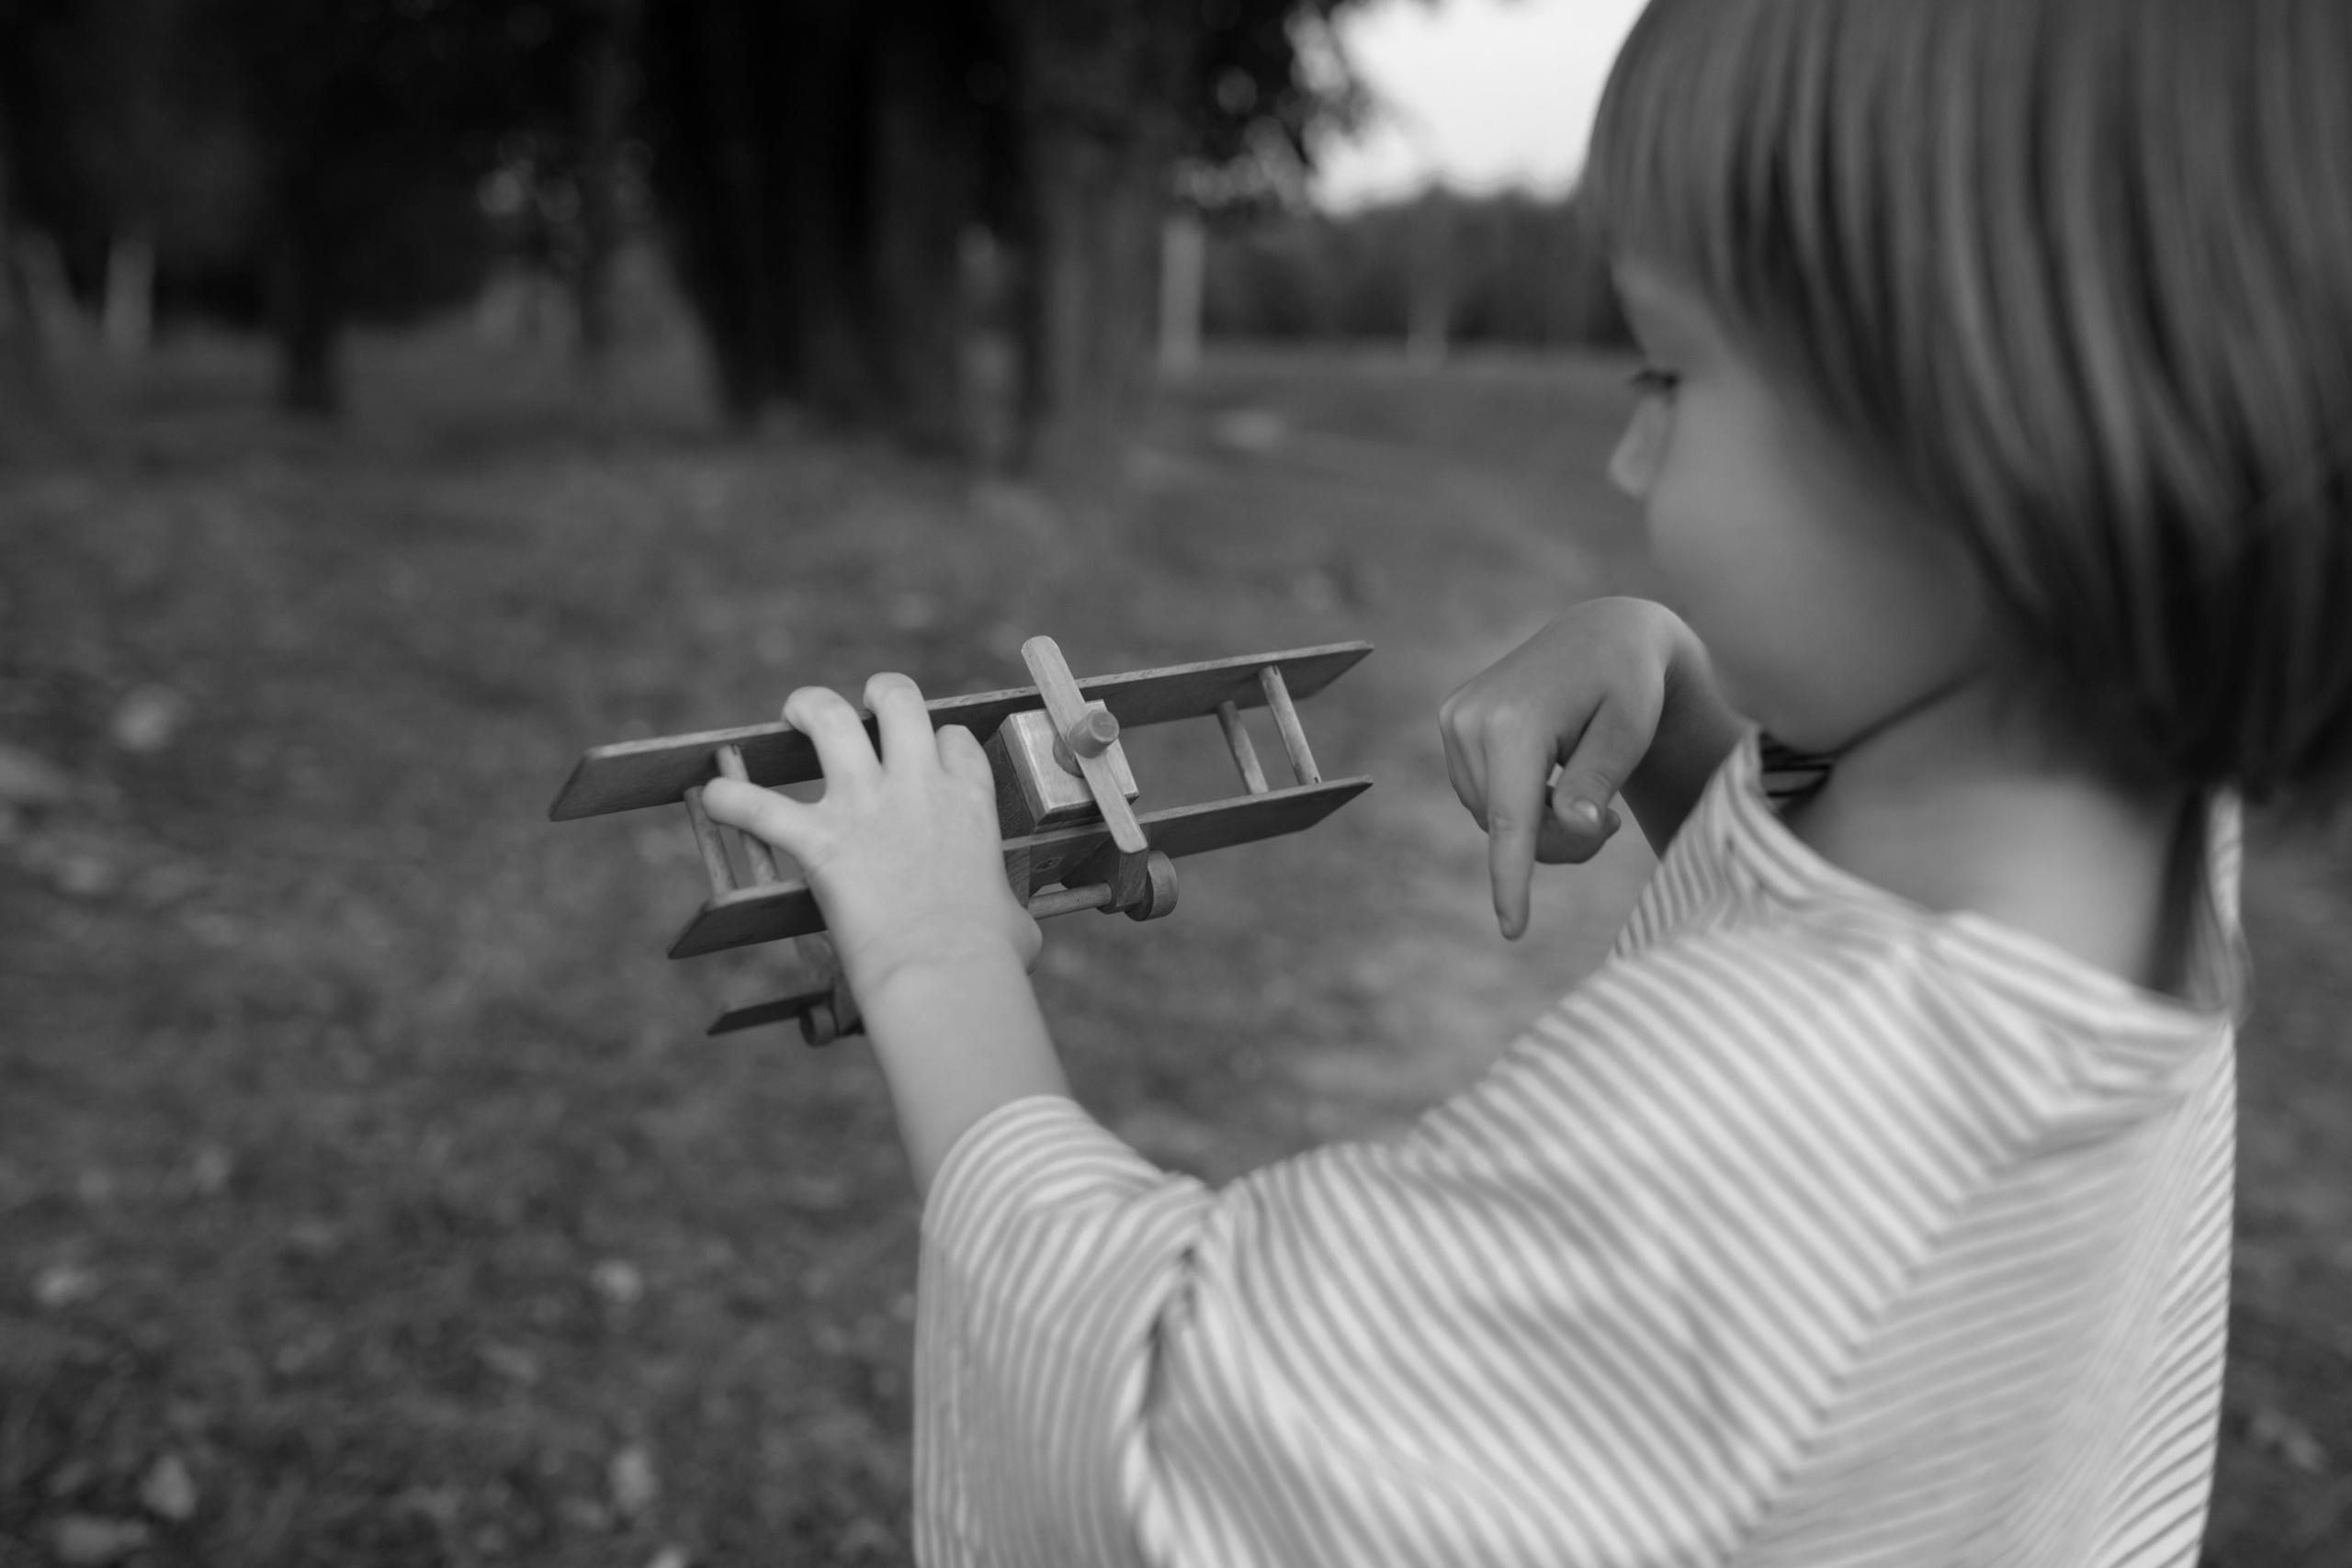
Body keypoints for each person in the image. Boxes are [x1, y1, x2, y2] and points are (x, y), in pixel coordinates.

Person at [700, 0, 2352, 1561]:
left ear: (1989, 445)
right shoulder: (2141, 839)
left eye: (1670, 376)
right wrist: (1694, 716)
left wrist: (936, 952)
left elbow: (1183, 1461)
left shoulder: (1755, 1124)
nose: (1630, 453)